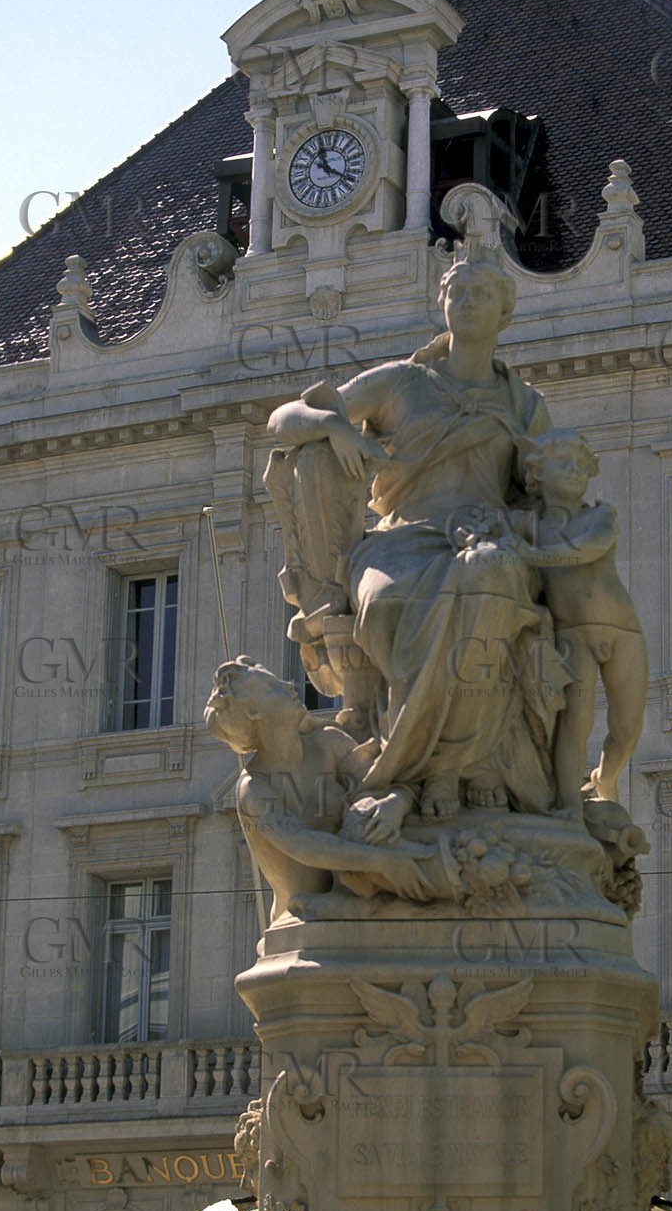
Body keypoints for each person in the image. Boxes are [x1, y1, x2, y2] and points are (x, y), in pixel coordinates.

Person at [266, 253, 566, 835]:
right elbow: (285, 419)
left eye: (483, 293)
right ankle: (417, 765)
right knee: (387, 601)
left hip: (487, 537)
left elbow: (552, 490)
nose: (469, 300)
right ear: (443, 304)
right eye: (459, 291)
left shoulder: (525, 404)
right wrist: (331, 425)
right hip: (401, 540)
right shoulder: (403, 381)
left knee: (493, 575)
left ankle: (457, 764)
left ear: (505, 312)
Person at [204, 658, 456, 919]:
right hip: (303, 920)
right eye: (272, 687)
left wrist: (397, 803)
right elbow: (303, 845)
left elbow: (382, 783)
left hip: (365, 884)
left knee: (387, 820)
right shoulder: (254, 788)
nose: (289, 685)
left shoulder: (328, 742)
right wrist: (385, 862)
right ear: (254, 712)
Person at [515, 428, 648, 811]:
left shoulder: (601, 514)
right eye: (563, 464)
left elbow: (591, 548)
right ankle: (570, 805)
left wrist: (534, 556)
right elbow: (496, 539)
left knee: (626, 731)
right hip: (572, 635)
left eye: (580, 465)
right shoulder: (529, 525)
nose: (575, 471)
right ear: (538, 473)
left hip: (623, 631)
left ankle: (604, 779)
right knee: (576, 724)